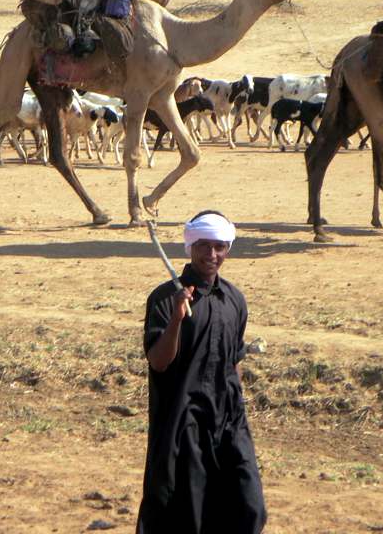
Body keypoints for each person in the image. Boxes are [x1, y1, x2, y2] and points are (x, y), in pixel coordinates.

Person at [136, 211, 266, 534]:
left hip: (227, 420)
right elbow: (159, 361)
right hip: (184, 424)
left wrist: (238, 409)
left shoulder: (235, 299)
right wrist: (177, 319)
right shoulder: (165, 299)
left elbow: (233, 360)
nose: (212, 255)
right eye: (204, 246)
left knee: (249, 506)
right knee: (186, 515)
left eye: (219, 247)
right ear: (191, 246)